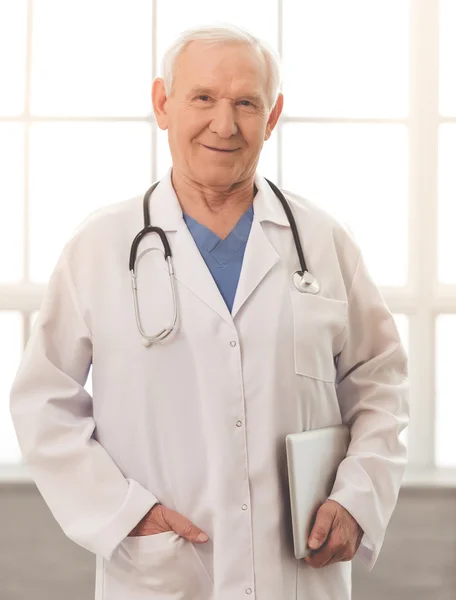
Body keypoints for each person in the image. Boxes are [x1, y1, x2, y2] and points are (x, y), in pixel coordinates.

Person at [9, 23, 409, 600]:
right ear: (162, 103)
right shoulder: (100, 247)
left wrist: (358, 498)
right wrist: (127, 516)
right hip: (160, 572)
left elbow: (380, 384)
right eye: (203, 98)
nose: (225, 124)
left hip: (296, 574)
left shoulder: (323, 244)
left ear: (271, 117)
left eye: (246, 102)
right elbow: (44, 402)